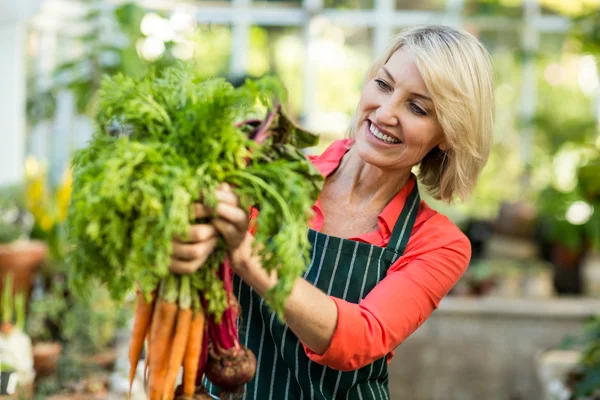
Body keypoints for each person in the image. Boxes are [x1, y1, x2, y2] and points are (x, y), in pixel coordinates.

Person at [169, 24, 494, 400]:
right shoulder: (267, 172)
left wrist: (245, 255)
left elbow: (358, 339)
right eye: (384, 85)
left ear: (448, 134)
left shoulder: (438, 244)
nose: (385, 113)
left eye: (417, 108)